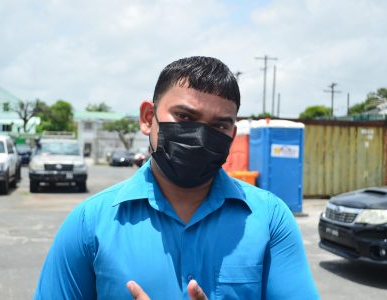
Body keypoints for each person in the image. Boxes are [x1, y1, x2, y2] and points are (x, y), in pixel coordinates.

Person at [34, 56, 319, 299]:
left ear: (232, 134)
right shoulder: (90, 222)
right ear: (148, 118)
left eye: (219, 124)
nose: (200, 136)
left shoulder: (270, 219)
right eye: (184, 117)